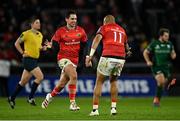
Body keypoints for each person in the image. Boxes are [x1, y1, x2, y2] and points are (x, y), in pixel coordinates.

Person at [41, 10, 87, 111]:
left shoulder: (81, 31)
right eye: (72, 19)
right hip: (63, 59)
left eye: (75, 19)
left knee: (61, 85)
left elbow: (84, 47)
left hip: (75, 60)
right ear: (66, 19)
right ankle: (72, 103)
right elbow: (54, 45)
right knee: (74, 76)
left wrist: (86, 58)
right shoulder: (60, 31)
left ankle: (49, 97)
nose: (74, 20)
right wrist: (49, 46)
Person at [85, 15, 131, 116]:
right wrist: (128, 51)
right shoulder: (122, 30)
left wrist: (90, 56)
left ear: (105, 21)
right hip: (120, 58)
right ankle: (113, 108)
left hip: (108, 56)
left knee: (99, 81)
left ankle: (95, 110)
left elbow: (97, 39)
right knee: (113, 81)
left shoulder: (104, 27)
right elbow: (126, 45)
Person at [8, 17, 48, 109]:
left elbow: (38, 48)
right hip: (28, 60)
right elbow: (16, 43)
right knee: (40, 77)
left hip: (34, 60)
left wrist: (43, 48)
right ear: (32, 24)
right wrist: (22, 53)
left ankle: (12, 98)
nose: (39, 24)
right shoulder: (26, 34)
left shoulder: (40, 35)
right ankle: (30, 97)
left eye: (39, 22)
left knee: (23, 82)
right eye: (37, 22)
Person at [143, 28, 176, 107]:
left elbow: (173, 54)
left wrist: (173, 55)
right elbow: (145, 52)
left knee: (162, 84)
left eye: (168, 36)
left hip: (166, 67)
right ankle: (156, 100)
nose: (167, 37)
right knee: (161, 81)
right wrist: (148, 61)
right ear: (161, 36)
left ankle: (156, 100)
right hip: (156, 66)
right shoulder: (154, 43)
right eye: (165, 36)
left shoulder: (170, 44)